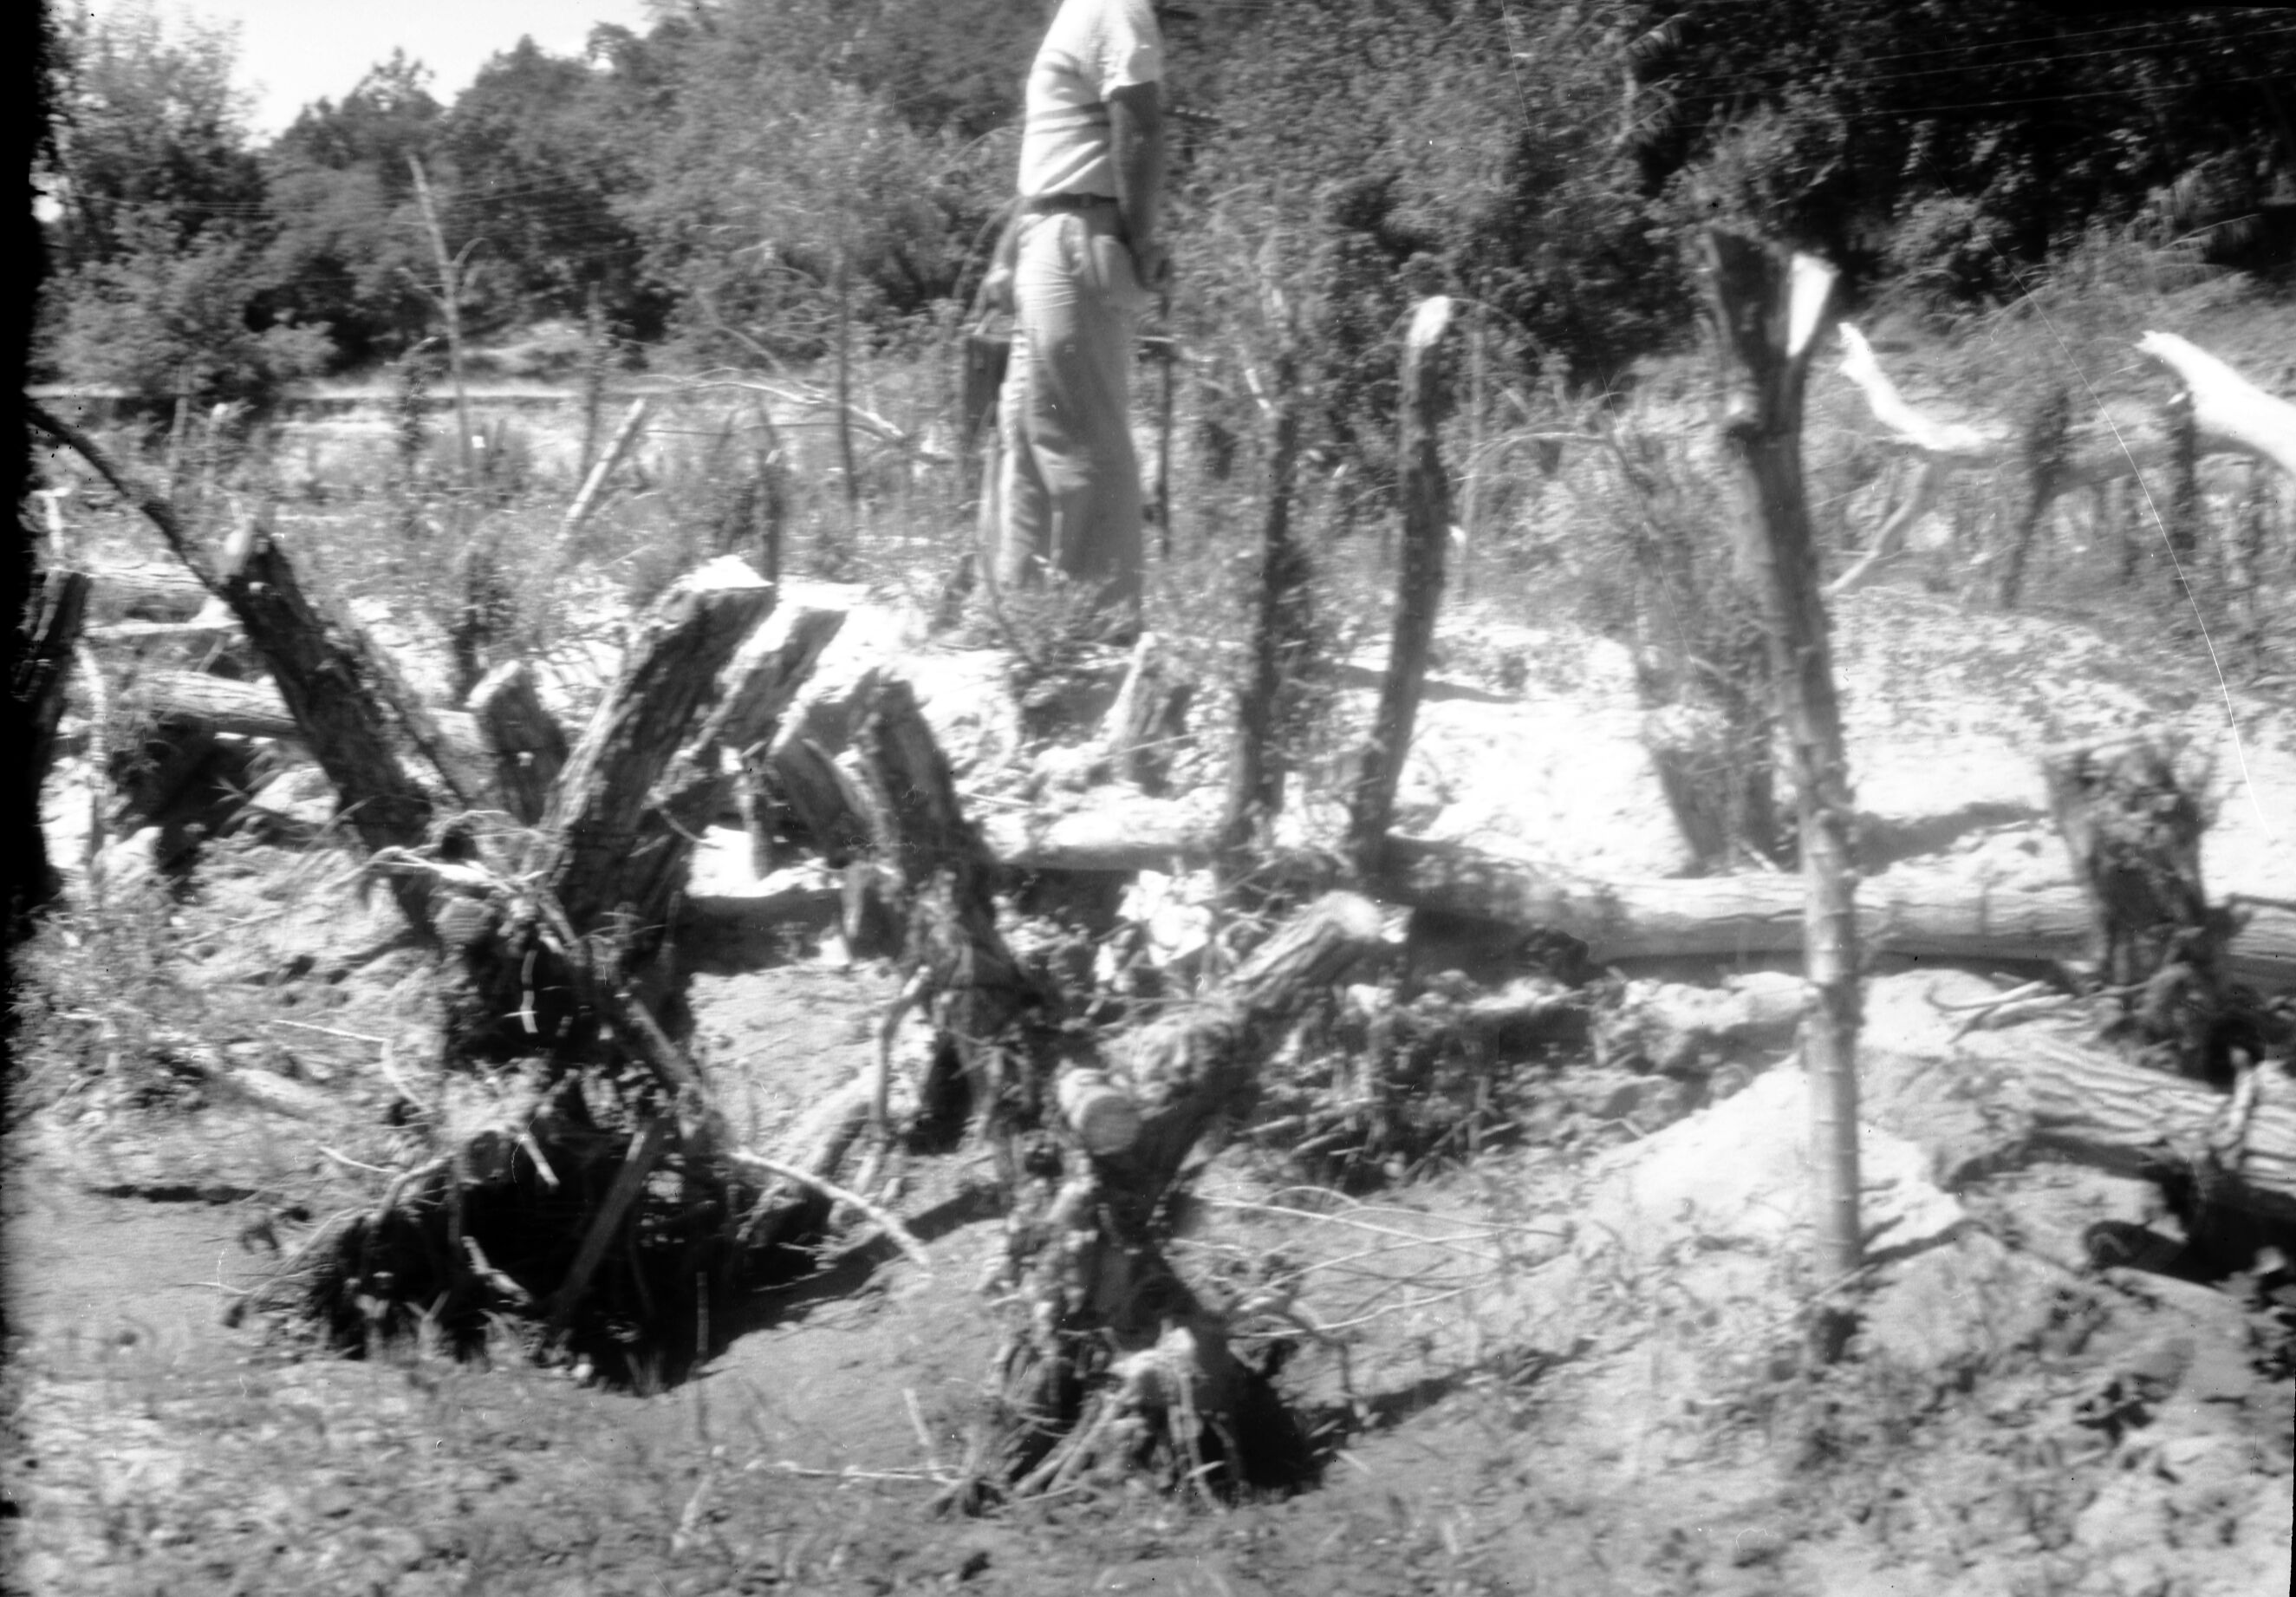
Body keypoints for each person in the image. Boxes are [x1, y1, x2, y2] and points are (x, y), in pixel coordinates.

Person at [980, 0, 1174, 630]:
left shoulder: (1112, 7)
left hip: (1076, 235)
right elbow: (1056, 156)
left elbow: (1138, 127)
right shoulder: (1087, 11)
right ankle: (1021, 609)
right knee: (1031, 429)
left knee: (1080, 430)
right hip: (1052, 229)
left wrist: (1141, 242)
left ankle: (1106, 623)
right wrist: (1007, 253)